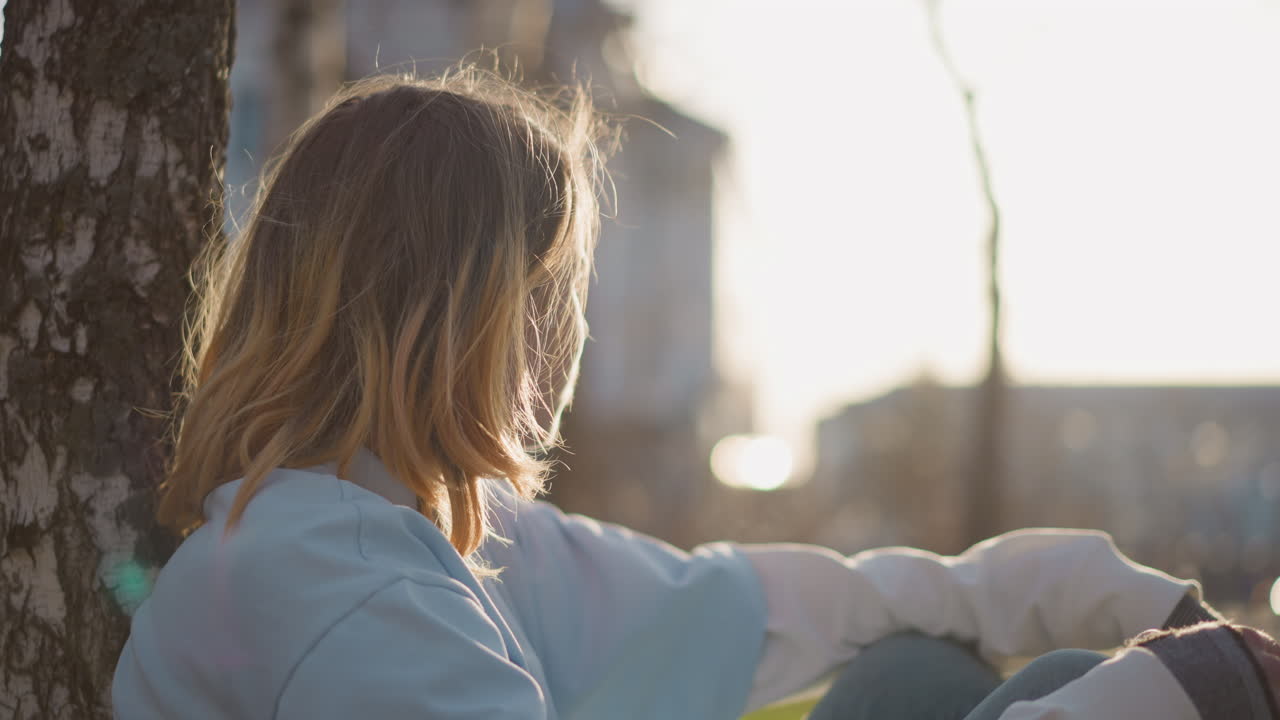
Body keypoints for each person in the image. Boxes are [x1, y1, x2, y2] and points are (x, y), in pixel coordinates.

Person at [111, 68, 1279, 720]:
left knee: (909, 676)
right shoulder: (338, 593)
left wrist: (1124, 602)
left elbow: (759, 607)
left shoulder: (404, 537)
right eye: (558, 292)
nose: (577, 333)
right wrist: (1168, 698)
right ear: (466, 315)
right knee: (1077, 700)